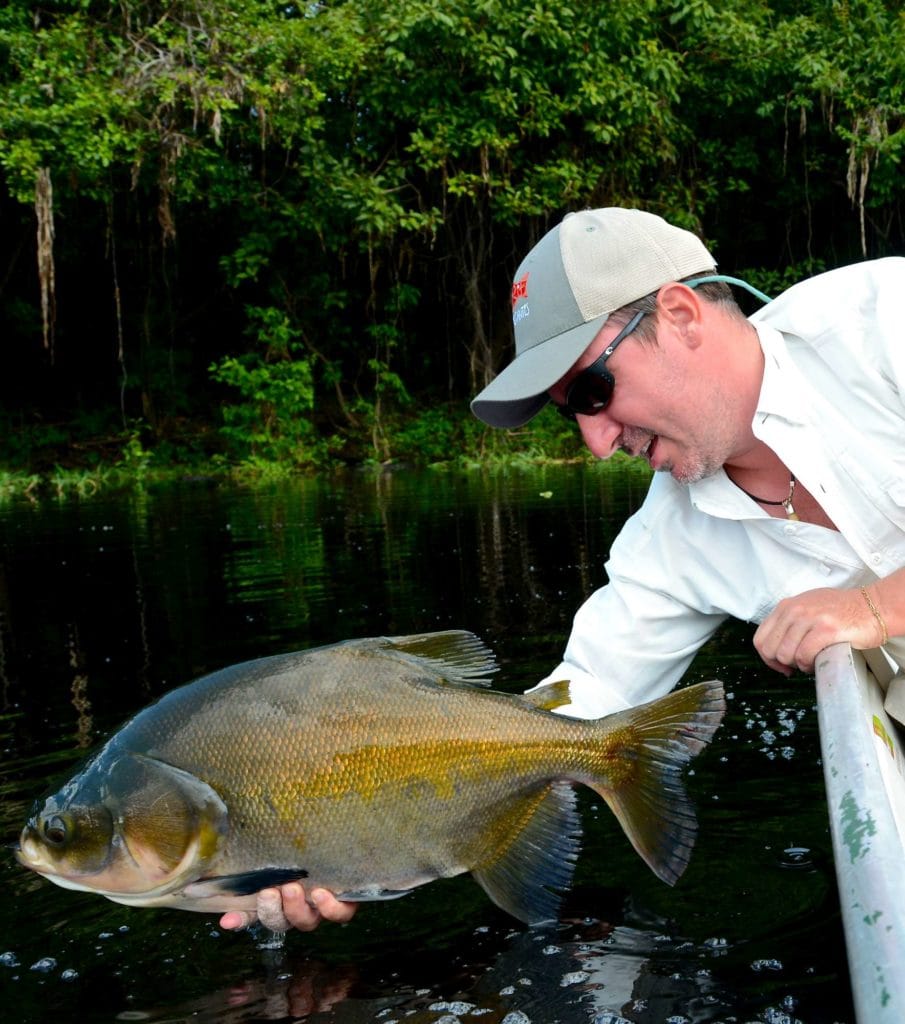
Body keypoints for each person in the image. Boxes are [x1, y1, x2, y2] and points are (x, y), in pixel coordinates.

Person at [221, 205, 905, 932]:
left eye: (592, 392)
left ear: (677, 315)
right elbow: (569, 707)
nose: (597, 444)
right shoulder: (667, 539)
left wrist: (872, 608)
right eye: (568, 415)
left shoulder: (881, 321)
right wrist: (347, 830)